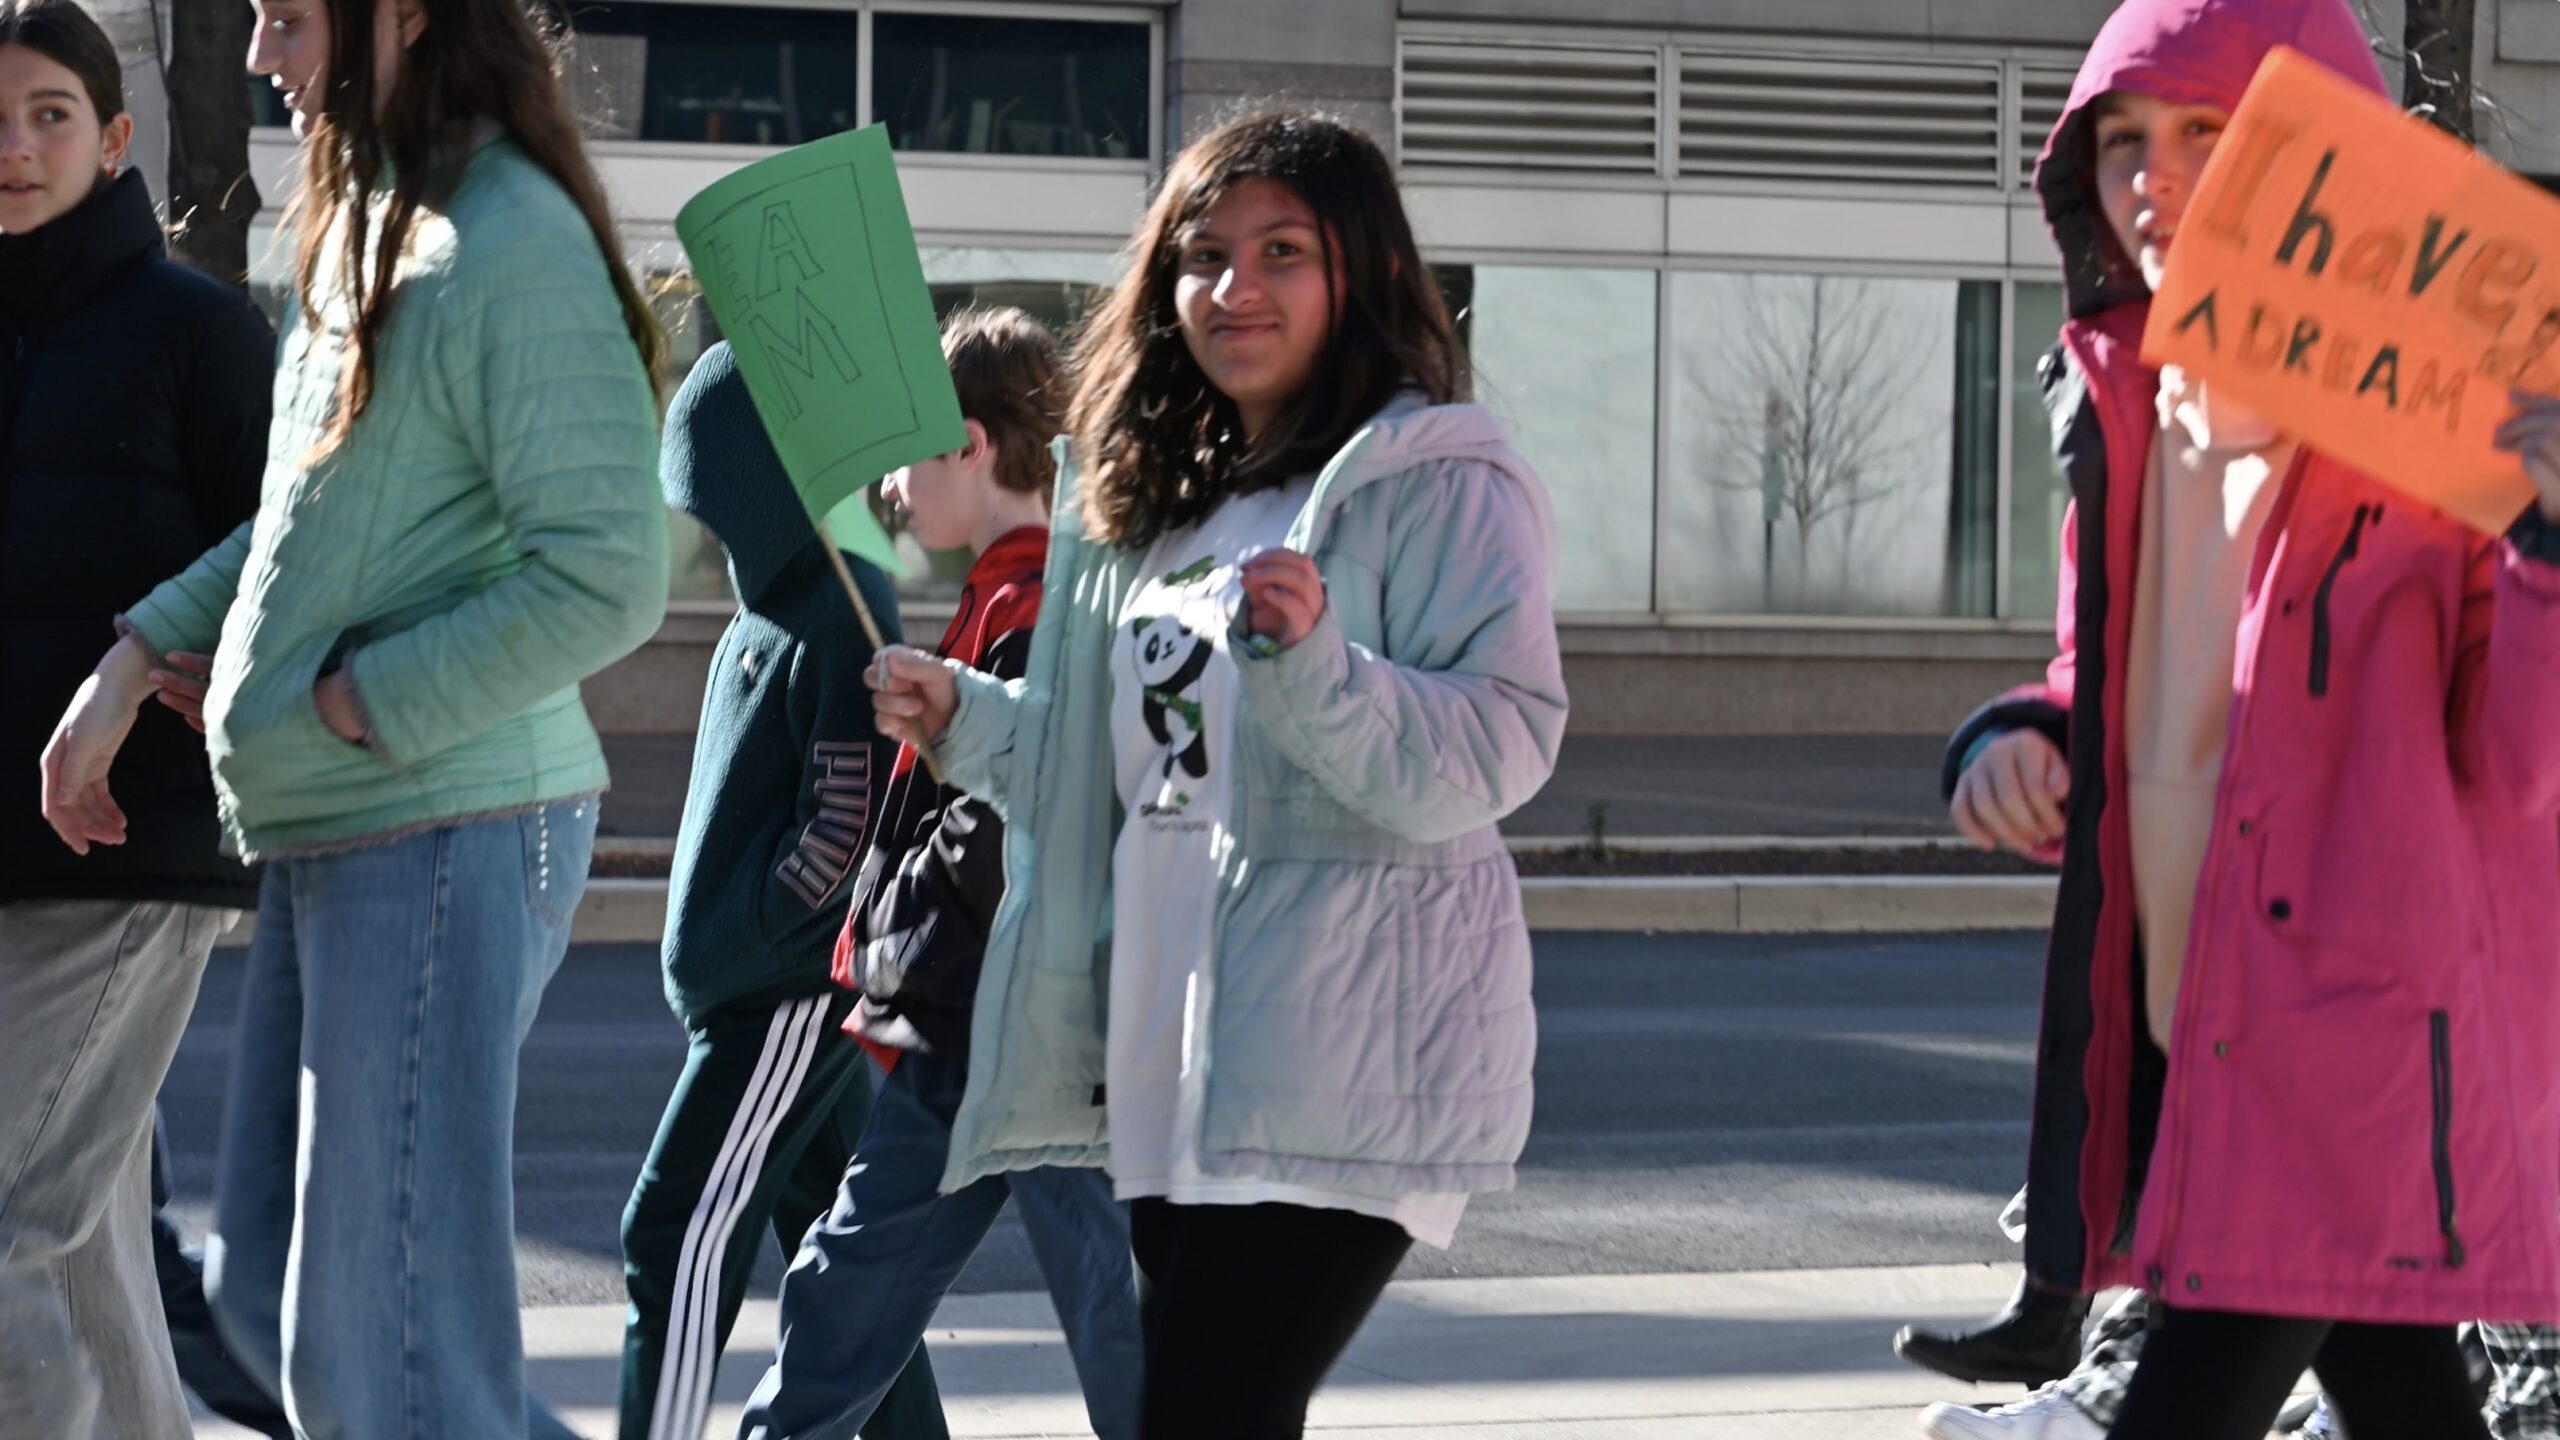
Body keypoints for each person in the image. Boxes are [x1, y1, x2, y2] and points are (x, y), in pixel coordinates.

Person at [861, 112, 1568, 1440]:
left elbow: (1500, 745)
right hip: (1166, 1045)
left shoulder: (1441, 480)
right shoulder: (1164, 503)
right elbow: (1113, 770)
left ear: (1362, 272)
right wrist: (961, 715)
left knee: (1199, 1413)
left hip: (1337, 1056)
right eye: (1203, 254)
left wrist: (1317, 665)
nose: (1234, 287)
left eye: (1281, 252)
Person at [1930, 0, 2560, 1434]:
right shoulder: (2128, 412)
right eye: (2122, 143)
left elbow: (2529, 769)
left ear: (2324, 161)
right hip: (2198, 1030)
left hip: (2355, 1056)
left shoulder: (2452, 434)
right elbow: (2119, 683)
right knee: (2402, 1404)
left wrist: (2550, 544)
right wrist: (2024, 734)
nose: (2152, 179)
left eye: (2209, 134)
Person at [39, 0, 671, 1430]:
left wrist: (355, 700)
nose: (262, 54)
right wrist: (138, 655)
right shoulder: (378, 225)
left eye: (286, 17)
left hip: (446, 816)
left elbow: (612, 578)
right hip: (350, 821)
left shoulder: (508, 239)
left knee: (381, 1358)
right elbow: (297, 525)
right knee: (279, 1318)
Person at [737, 306, 1143, 1440]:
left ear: (968, 444)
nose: (894, 493)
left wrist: (889, 931)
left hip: (1023, 1023)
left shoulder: (1035, 601)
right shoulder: (1017, 591)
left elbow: (1011, 826)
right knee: (850, 1290)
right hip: (976, 1027)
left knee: (1114, 1317)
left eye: (906, 461)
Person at [0, 3, 272, 1434]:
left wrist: (178, 672)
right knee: (87, 1231)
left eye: (49, 114)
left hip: (129, 847)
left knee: (9, 1237)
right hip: (5, 847)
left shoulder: (199, 331)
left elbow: (280, 572)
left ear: (114, 141)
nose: (15, 147)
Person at [617, 335, 946, 1440]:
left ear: (759, 481)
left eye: (710, 499)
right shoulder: (773, 610)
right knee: (844, 1280)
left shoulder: (839, 613)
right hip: (764, 985)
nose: (703, 529)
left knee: (675, 1235)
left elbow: (845, 826)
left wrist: (761, 934)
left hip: (783, 996)